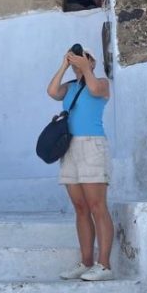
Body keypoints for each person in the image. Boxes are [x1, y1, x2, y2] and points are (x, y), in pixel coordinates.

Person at [46, 46, 114, 281]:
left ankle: (104, 264)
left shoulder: (102, 83)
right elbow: (52, 91)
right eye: (76, 58)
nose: (79, 61)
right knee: (80, 207)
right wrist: (65, 64)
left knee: (97, 206)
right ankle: (86, 262)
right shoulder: (71, 88)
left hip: (92, 146)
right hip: (70, 147)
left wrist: (86, 69)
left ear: (92, 62)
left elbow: (95, 89)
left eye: (85, 58)